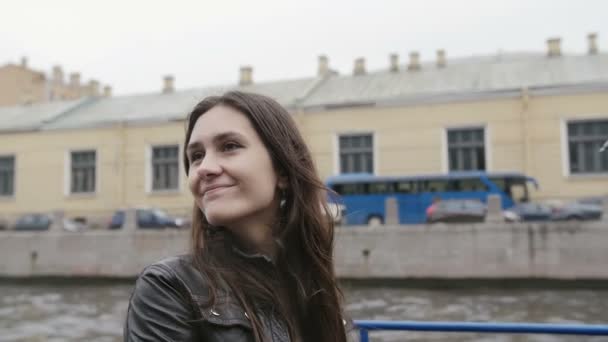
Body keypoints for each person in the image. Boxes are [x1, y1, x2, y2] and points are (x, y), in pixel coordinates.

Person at [124, 91, 349, 341]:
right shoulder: (168, 287)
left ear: (283, 170)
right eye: (196, 156)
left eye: (230, 146)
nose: (205, 168)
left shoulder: (310, 281)